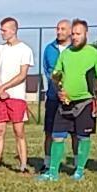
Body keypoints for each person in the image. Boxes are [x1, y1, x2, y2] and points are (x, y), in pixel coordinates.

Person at [39, 19, 97, 181]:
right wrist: (59, 90)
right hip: (64, 103)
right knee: (57, 136)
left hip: (85, 103)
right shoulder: (65, 54)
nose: (75, 37)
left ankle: (79, 171)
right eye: (74, 34)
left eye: (78, 34)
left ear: (86, 34)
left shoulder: (94, 54)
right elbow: (56, 74)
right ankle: (53, 172)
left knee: (83, 137)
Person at [0, 17, 35, 173]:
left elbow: (22, 75)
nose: (1, 33)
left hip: (16, 97)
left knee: (19, 132)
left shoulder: (25, 50)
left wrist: (4, 87)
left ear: (13, 30)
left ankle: (23, 166)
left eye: (4, 30)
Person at [39, 19, 70, 164]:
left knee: (75, 133)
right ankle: (47, 163)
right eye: (57, 29)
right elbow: (48, 71)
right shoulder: (49, 49)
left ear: (70, 31)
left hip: (72, 97)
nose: (59, 32)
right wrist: (56, 87)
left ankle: (77, 165)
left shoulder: (76, 49)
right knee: (49, 131)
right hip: (53, 96)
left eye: (63, 29)